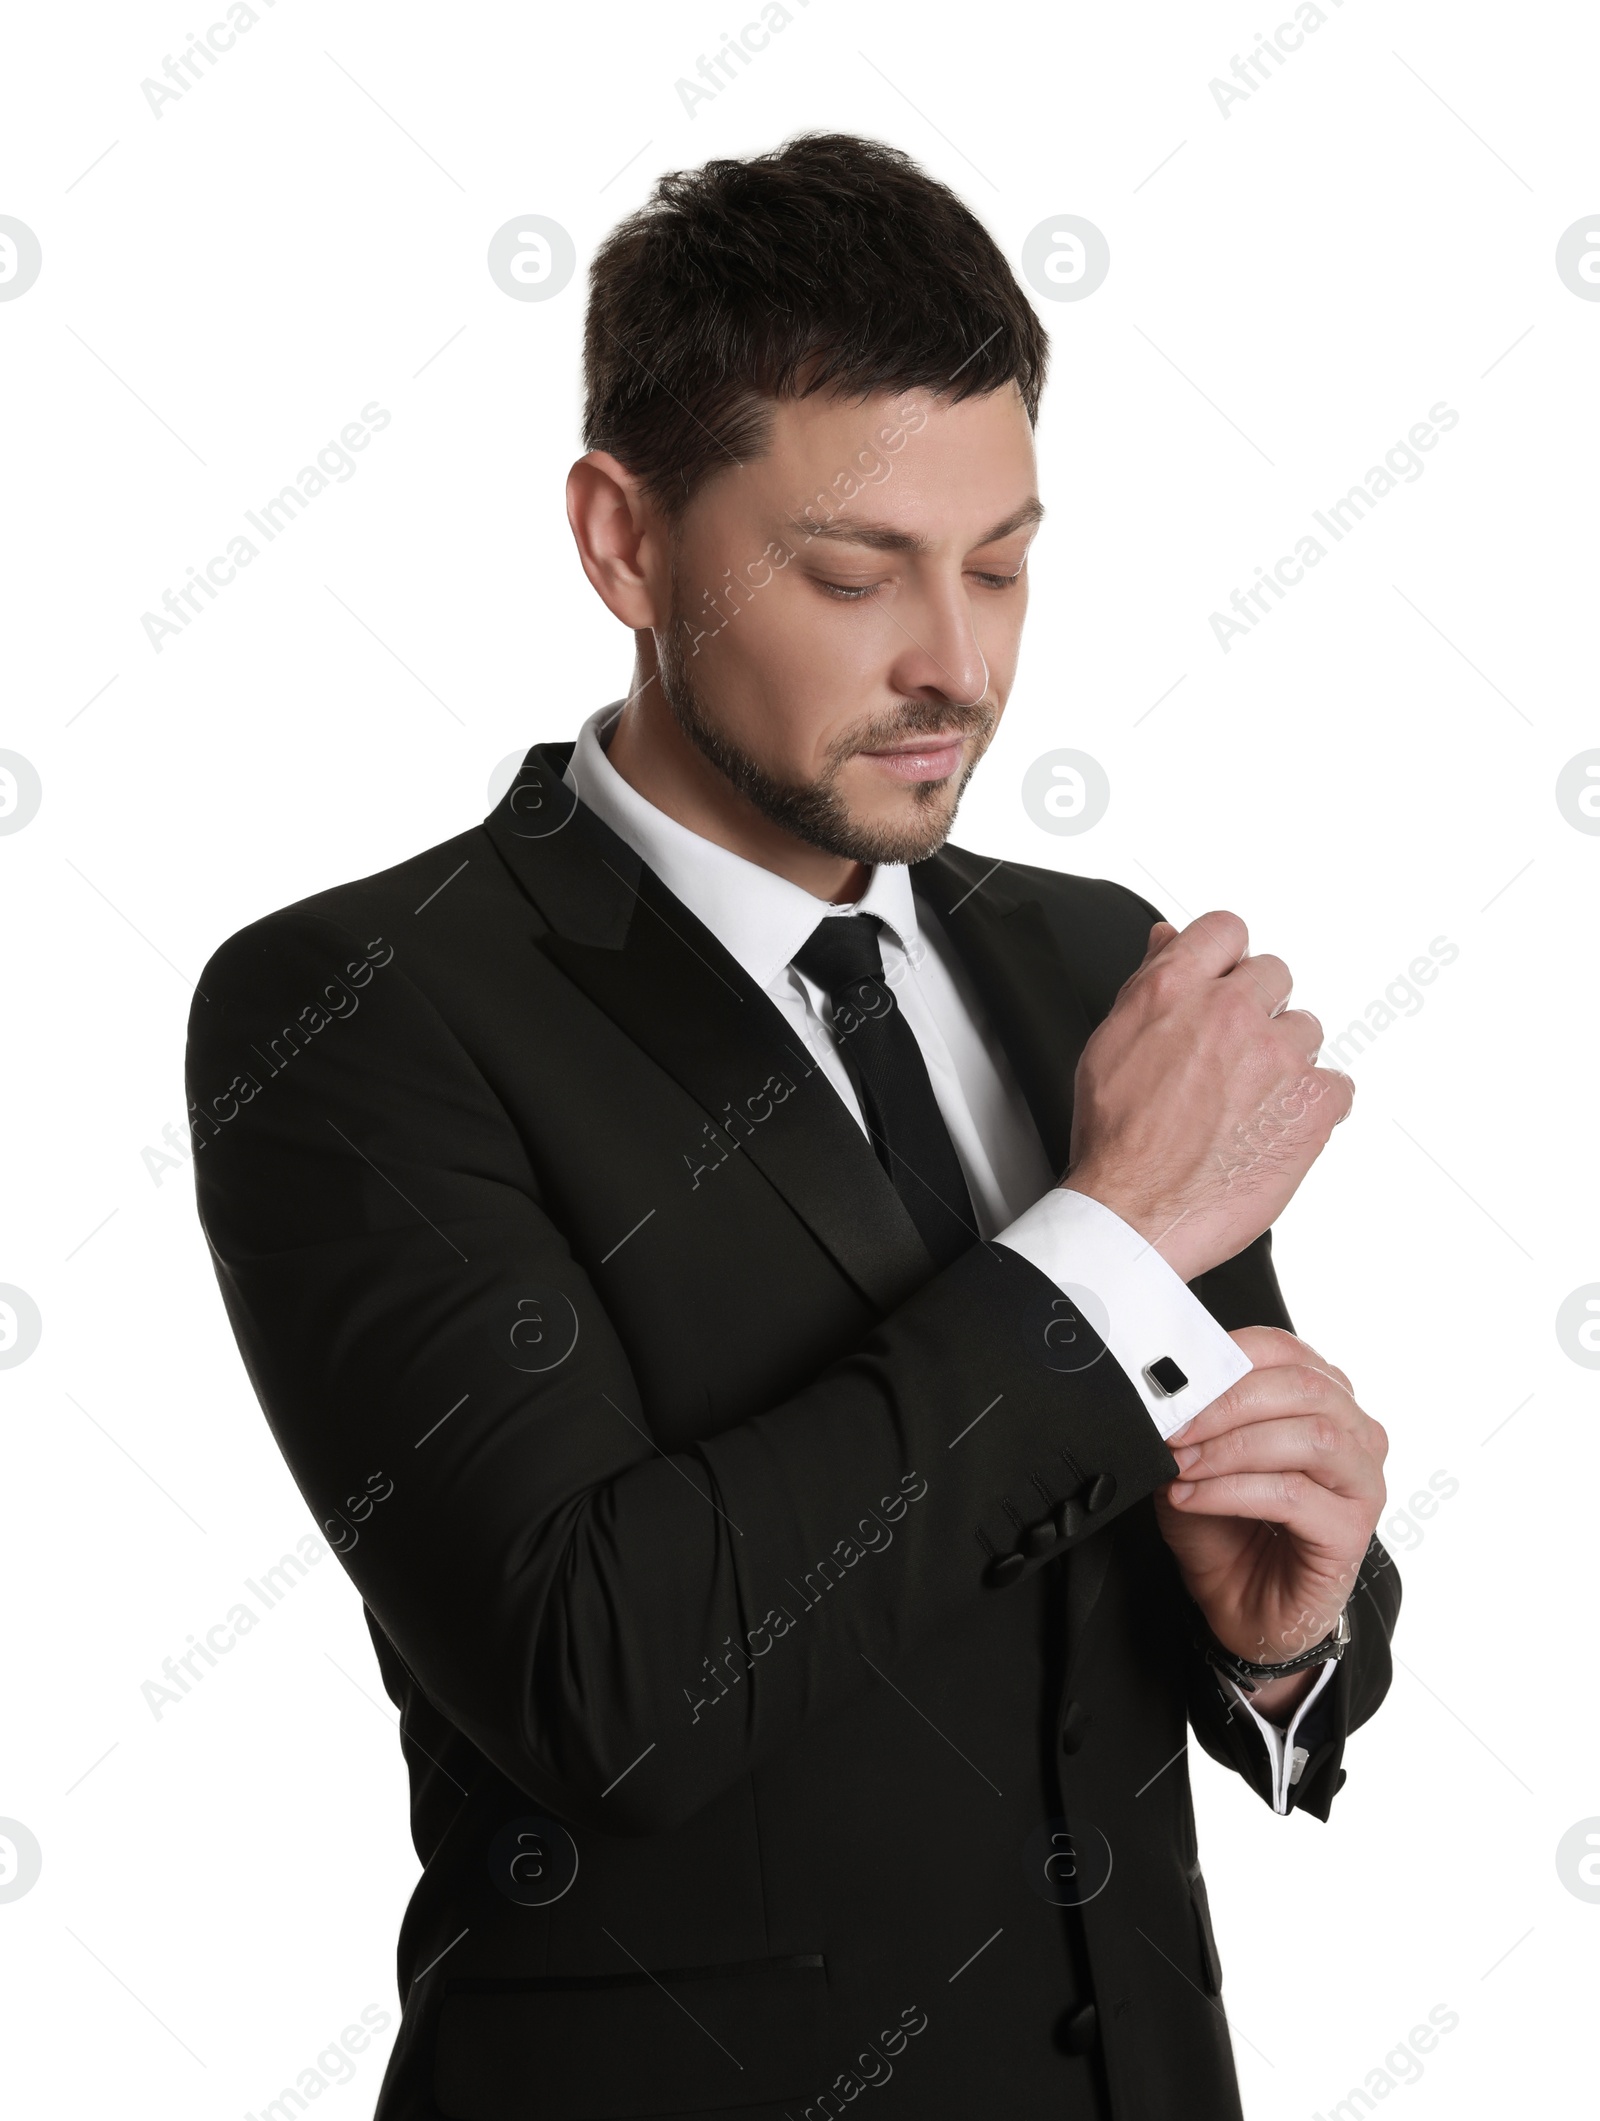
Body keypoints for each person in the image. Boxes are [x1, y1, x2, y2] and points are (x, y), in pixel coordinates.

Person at [187, 131, 1396, 2121]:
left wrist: (1281, 1640)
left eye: (1000, 559)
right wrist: (1094, 1240)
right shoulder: (359, 1010)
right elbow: (599, 1680)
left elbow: (1200, 1521)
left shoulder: (1094, 957)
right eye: (854, 571)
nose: (960, 660)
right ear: (622, 540)